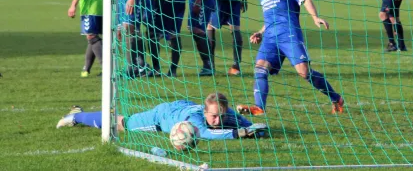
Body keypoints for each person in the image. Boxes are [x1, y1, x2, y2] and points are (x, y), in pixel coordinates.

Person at [236, 0, 344, 116]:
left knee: (304, 73)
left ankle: (336, 98)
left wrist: (315, 17)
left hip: (289, 34)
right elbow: (272, 17)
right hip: (271, 38)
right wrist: (260, 32)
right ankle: (259, 108)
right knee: (260, 69)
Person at [56, 92, 268, 140]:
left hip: (179, 106)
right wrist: (236, 134)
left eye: (220, 116)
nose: (217, 120)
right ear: (205, 111)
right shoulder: (196, 121)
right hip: (161, 116)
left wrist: (252, 128)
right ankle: (77, 116)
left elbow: (244, 122)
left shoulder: (224, 113)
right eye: (213, 116)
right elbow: (205, 134)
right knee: (121, 124)